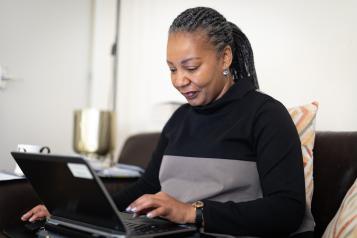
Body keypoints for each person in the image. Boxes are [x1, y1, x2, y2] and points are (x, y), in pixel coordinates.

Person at [21, 7, 314, 237]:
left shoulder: (266, 115)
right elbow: (145, 187)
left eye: (191, 67)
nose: (179, 80)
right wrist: (76, 211)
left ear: (225, 58)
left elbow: (286, 211)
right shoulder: (180, 118)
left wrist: (192, 213)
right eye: (172, 69)